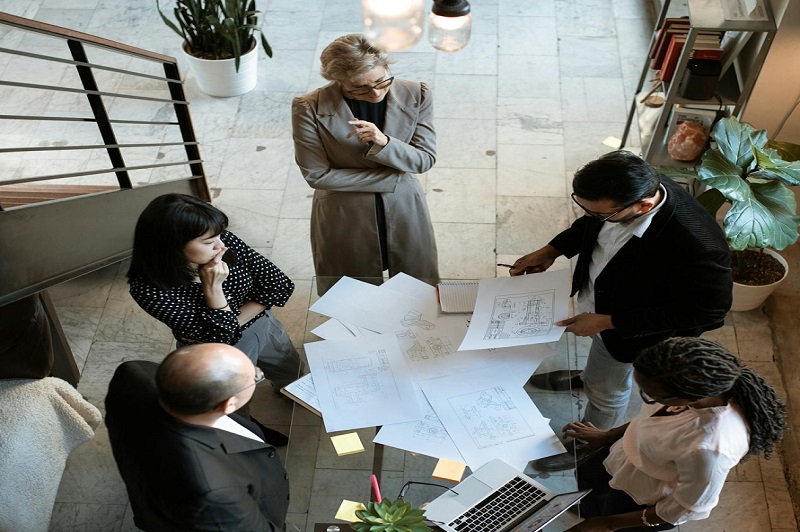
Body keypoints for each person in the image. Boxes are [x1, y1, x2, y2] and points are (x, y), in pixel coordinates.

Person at [511, 151, 732, 468]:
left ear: (643, 206)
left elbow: (709, 312)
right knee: (600, 363)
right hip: (604, 304)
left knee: (607, 389)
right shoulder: (637, 187)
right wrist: (553, 249)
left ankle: (592, 441)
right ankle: (588, 376)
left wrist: (610, 321)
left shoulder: (698, 244)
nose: (589, 216)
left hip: (634, 333)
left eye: (599, 213)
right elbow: (590, 224)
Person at [562, 337, 787, 531]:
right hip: (624, 455)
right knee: (588, 490)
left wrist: (609, 524)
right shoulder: (690, 388)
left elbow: (685, 507)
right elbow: (650, 419)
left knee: (607, 509)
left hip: (642, 493)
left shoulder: (709, 449)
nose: (646, 398)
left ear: (688, 397)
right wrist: (609, 435)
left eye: (650, 395)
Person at [291, 33, 439, 293]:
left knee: (416, 290)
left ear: (387, 67)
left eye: (382, 81)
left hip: (403, 206)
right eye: (359, 88)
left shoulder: (417, 93)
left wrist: (384, 142)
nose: (375, 93)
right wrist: (392, 179)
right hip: (345, 213)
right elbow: (316, 175)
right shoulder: (309, 107)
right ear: (339, 83)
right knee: (351, 294)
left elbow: (424, 159)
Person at [105, 343, 291, 531]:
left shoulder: (132, 373)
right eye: (256, 376)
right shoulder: (214, 491)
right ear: (228, 405)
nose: (258, 374)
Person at [127, 193, 301, 394]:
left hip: (263, 324)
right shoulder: (149, 290)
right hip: (212, 351)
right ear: (172, 246)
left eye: (219, 235)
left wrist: (234, 323)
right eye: (208, 242)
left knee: (291, 373)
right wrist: (213, 288)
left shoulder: (222, 240)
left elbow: (279, 284)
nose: (221, 245)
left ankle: (290, 395)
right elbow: (220, 340)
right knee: (233, 401)